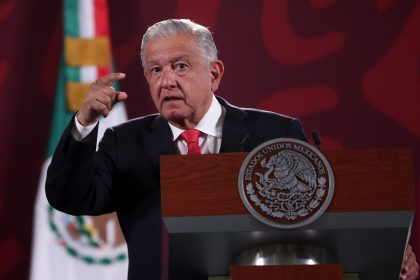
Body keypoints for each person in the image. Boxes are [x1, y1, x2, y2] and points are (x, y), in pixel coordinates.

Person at [46, 19, 418, 280]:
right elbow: (71, 197)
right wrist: (84, 123)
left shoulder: (275, 131)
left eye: (180, 66)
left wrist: (391, 253)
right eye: (155, 71)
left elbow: (321, 211)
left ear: (214, 73)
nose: (167, 80)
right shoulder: (124, 141)